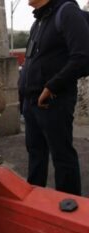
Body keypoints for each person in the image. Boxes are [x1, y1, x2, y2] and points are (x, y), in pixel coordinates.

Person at [19, 0, 89, 196]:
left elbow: (82, 57)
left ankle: (69, 207)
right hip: (31, 103)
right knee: (36, 155)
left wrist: (51, 87)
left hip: (53, 101)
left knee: (62, 156)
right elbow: (32, 62)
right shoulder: (38, 21)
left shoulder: (67, 12)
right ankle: (35, 201)